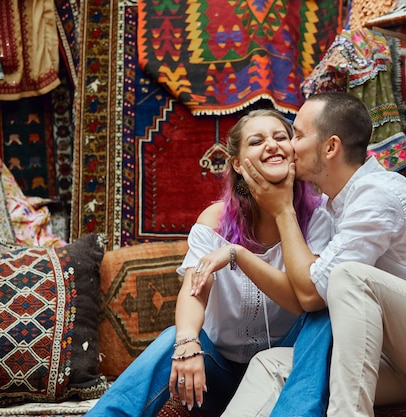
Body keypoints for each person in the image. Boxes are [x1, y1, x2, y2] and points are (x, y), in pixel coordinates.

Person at [218, 92, 406, 417]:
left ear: (330, 147)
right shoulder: (330, 210)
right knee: (272, 365)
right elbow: (306, 290)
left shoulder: (379, 192)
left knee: (348, 276)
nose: (290, 147)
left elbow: (313, 294)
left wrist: (283, 210)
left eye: (297, 135)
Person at [84, 109, 333, 417]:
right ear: (238, 164)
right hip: (219, 374)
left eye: (281, 137)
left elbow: (305, 302)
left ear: (293, 153)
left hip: (288, 369)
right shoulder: (214, 222)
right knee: (174, 339)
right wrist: (187, 343)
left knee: (324, 314)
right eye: (257, 141)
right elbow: (195, 290)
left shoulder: (320, 217)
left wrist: (242, 251)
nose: (271, 145)